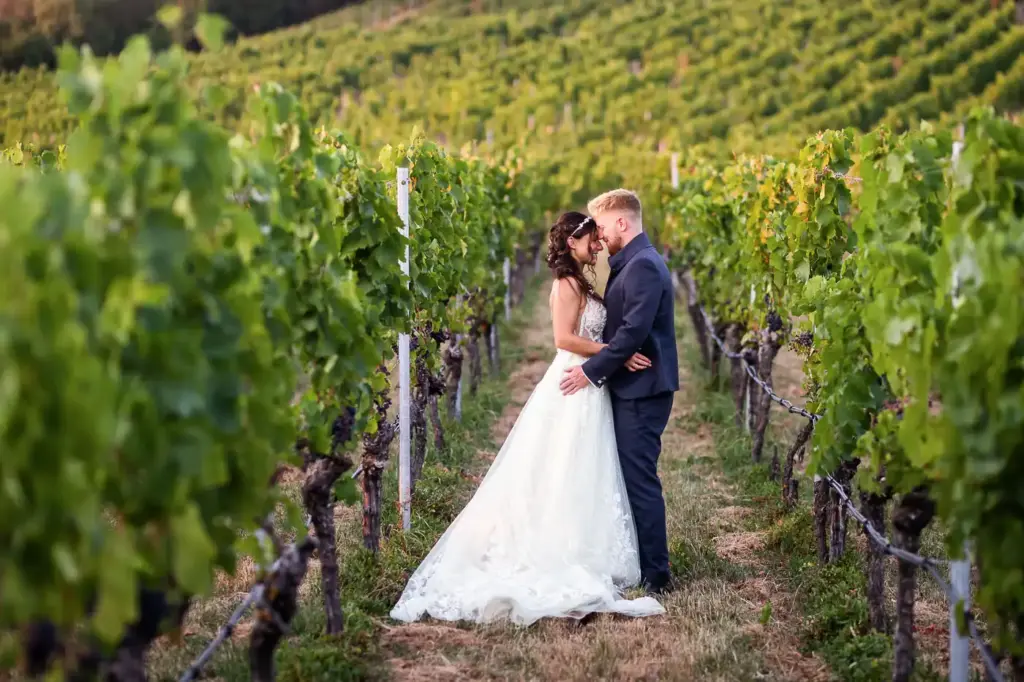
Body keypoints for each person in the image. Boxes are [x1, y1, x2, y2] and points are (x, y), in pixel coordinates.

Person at [389, 210, 665, 626]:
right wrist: (616, 355)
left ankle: (583, 545)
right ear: (572, 242)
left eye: (598, 236)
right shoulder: (568, 283)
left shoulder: (582, 280)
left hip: (588, 383)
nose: (597, 244)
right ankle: (559, 549)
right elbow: (563, 339)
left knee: (579, 466)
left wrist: (610, 355)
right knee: (562, 464)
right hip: (574, 380)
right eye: (591, 238)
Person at [559, 189, 679, 595]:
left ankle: (657, 576)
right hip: (632, 386)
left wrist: (590, 372)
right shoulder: (631, 262)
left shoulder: (643, 266)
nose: (601, 236)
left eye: (605, 227)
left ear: (622, 223)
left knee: (639, 480)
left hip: (643, 392)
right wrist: (612, 359)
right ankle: (641, 562)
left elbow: (632, 332)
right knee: (628, 478)